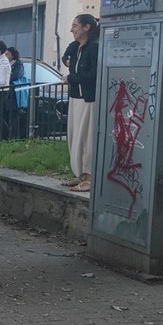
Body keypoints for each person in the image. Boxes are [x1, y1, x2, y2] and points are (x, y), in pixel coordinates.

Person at [60, 14, 99, 193]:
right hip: (75, 97)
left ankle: (89, 177)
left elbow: (94, 75)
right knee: (74, 136)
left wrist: (71, 78)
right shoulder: (77, 47)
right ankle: (80, 173)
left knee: (86, 138)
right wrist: (67, 56)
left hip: (88, 99)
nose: (72, 30)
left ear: (86, 27)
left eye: (75, 26)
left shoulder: (94, 47)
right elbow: (67, 55)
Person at [5, 47, 27, 139]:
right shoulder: (6, 64)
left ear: (13, 55)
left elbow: (16, 76)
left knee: (14, 115)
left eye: (7, 54)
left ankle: (15, 136)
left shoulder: (18, 65)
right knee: (8, 116)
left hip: (15, 93)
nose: (5, 56)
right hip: (8, 93)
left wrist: (6, 78)